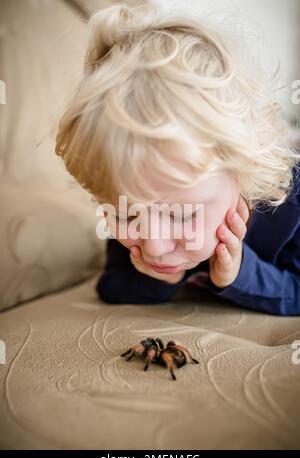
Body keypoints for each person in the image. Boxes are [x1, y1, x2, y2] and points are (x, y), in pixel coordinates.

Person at [55, 3, 300, 315]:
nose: (154, 245)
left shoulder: (290, 211)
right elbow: (112, 285)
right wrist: (157, 278)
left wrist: (240, 272)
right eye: (126, 216)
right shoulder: (135, 193)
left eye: (182, 216)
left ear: (247, 171)